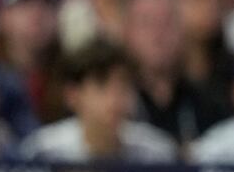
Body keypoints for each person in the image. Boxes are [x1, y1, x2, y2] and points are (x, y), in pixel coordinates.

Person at [19, 39, 178, 163]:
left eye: (123, 85)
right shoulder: (43, 152)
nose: (115, 97)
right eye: (102, 86)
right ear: (72, 96)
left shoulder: (157, 152)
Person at [123, 0, 230, 145]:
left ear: (182, 31)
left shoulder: (208, 105)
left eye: (167, 23)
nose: (158, 34)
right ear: (126, 32)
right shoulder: (114, 107)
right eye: (146, 23)